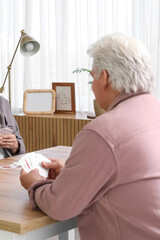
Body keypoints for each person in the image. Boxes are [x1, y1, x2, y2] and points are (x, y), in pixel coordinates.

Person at [20, 32, 160, 239]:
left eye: (92, 77)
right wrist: (72, 174)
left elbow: (60, 206)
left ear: (104, 78)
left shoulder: (104, 131)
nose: (92, 87)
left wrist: (34, 182)